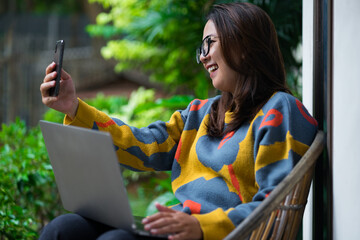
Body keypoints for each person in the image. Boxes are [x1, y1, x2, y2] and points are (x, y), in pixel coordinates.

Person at [39, 2, 317, 240]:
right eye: (202, 47)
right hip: (181, 228)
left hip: (223, 234)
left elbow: (276, 202)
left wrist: (200, 225)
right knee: (63, 229)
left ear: (244, 45)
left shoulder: (279, 109)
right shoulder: (201, 113)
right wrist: (73, 108)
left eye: (210, 43)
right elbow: (143, 144)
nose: (204, 56)